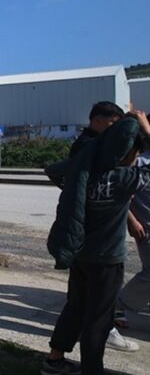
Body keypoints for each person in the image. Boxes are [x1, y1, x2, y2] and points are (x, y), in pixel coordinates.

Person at [43, 113, 150, 375]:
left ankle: (54, 360)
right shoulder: (125, 179)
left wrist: (93, 151)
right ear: (127, 153)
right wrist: (147, 131)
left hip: (80, 254)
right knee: (99, 321)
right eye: (135, 153)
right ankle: (92, 370)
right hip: (107, 261)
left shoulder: (83, 171)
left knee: (75, 308)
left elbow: (54, 170)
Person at [114, 140, 150, 327]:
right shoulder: (138, 162)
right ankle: (118, 304)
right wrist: (131, 220)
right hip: (146, 227)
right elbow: (120, 193)